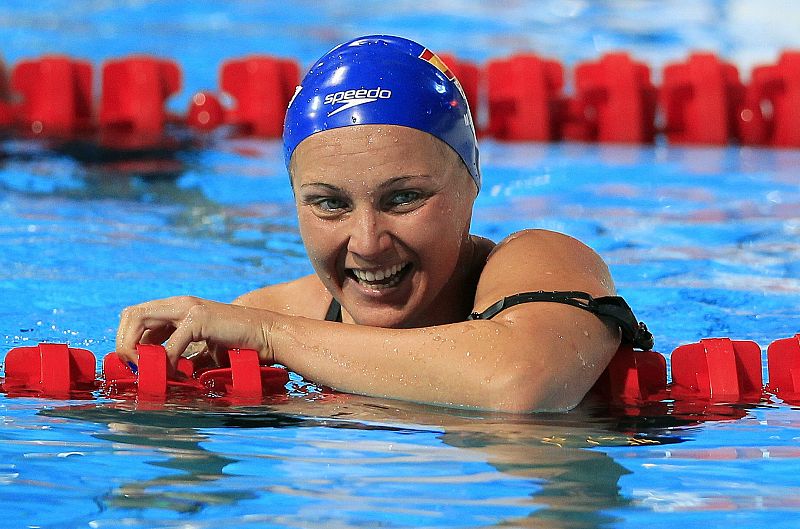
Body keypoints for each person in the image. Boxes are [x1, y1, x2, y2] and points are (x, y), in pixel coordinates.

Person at [115, 35, 652, 413]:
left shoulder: (543, 262)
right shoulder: (263, 318)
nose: (368, 243)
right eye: (329, 204)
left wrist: (270, 338)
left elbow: (523, 384)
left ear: (472, 182)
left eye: (404, 198)